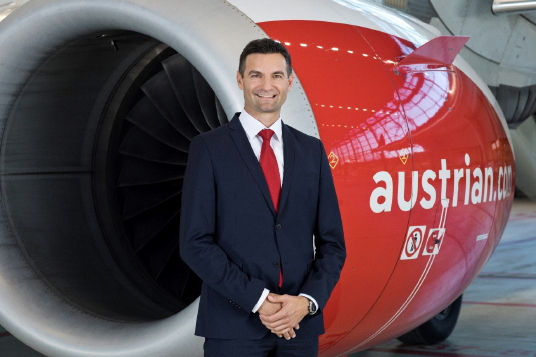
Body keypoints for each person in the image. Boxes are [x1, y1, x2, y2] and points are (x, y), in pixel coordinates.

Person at [179, 38, 346, 357]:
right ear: (240, 79)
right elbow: (195, 242)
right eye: (256, 75)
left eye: (277, 76)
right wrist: (259, 300)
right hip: (233, 328)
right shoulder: (209, 149)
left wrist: (307, 302)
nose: (266, 85)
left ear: (290, 82)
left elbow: (333, 244)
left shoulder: (311, 151)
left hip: (299, 327)